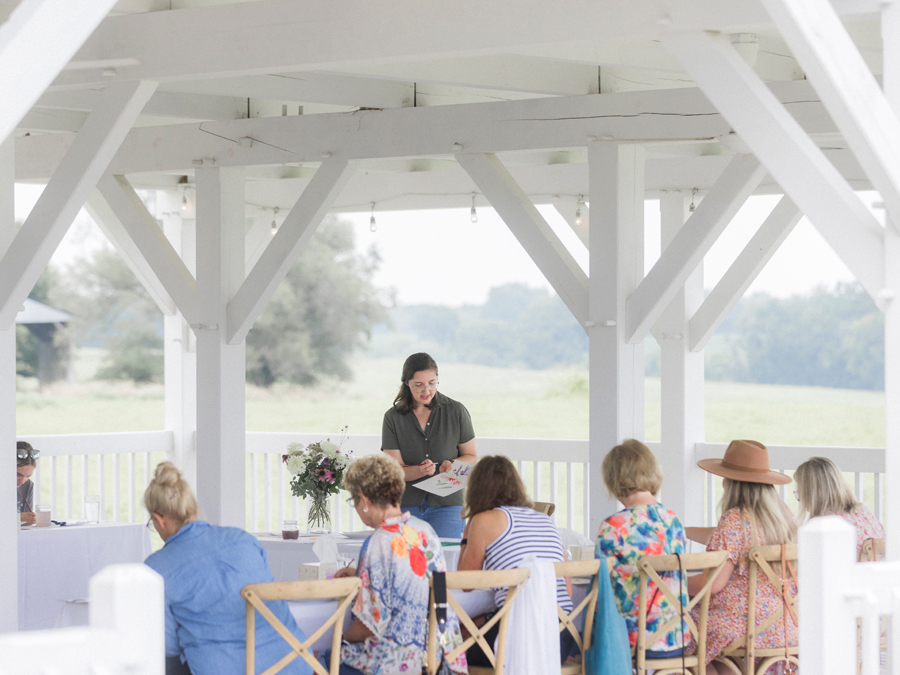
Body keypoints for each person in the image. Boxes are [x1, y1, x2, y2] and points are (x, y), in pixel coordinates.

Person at [142, 462, 311, 675]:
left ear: (159, 519)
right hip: (296, 665)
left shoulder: (156, 569)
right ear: (193, 509)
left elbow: (167, 647)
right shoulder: (243, 539)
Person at [331, 454, 467, 675]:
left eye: (353, 500)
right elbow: (415, 574)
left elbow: (370, 625)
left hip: (396, 662)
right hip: (436, 656)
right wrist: (361, 573)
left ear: (364, 501)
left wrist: (339, 638)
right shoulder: (425, 530)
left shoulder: (379, 540)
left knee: (322, 657)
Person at [689, 440, 798, 673]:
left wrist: (673, 583)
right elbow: (729, 537)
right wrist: (681, 529)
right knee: (710, 641)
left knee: (682, 627)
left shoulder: (734, 519)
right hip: (784, 624)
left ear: (730, 481)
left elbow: (712, 585)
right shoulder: (783, 517)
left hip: (743, 627)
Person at [457, 454, 573, 666]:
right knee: (474, 623)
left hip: (517, 640)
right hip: (560, 638)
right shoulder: (544, 520)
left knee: (452, 634)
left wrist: (466, 534)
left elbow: (465, 583)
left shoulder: (483, 520)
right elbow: (568, 590)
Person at [595, 439, 687, 657]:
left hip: (631, 640)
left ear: (613, 479)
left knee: (579, 641)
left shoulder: (614, 526)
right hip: (676, 636)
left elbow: (600, 587)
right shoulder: (673, 520)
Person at [382, 352, 477, 539]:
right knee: (407, 563)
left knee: (447, 561)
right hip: (407, 504)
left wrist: (452, 464)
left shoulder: (456, 411)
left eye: (432, 383)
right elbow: (394, 471)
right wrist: (420, 471)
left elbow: (471, 456)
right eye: (419, 385)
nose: (426, 391)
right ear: (407, 383)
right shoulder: (393, 418)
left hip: (448, 504)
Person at [794, 456, 885, 556]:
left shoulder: (825, 523)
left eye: (800, 494)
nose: (800, 500)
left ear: (811, 494)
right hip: (879, 570)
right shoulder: (862, 511)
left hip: (849, 571)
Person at [17, 441, 38, 526]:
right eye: (18, 474)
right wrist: (17, 519)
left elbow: (25, 524)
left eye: (27, 476)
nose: (22, 481)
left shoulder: (27, 485)